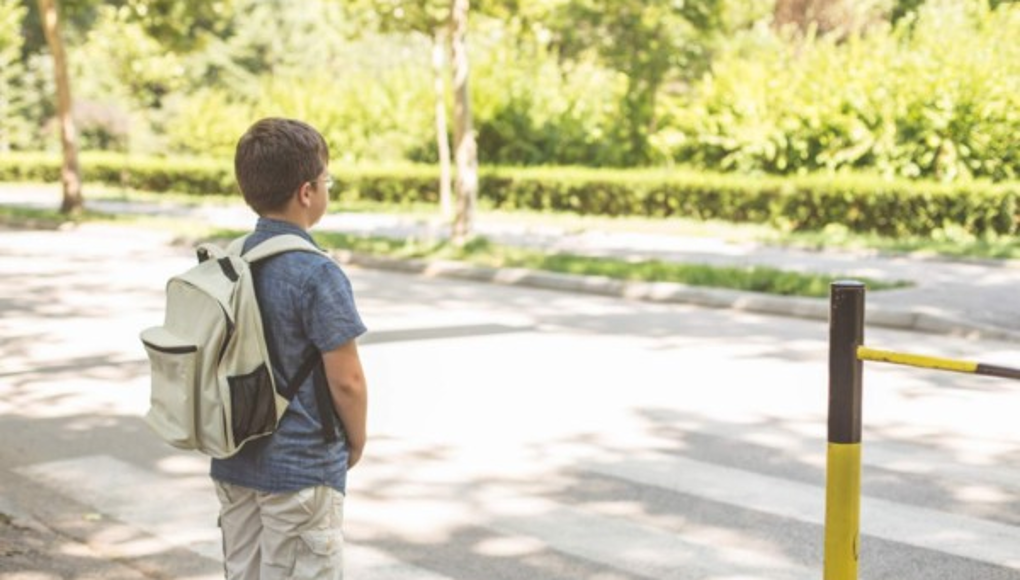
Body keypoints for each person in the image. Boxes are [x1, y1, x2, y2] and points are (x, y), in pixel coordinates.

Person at [211, 117, 368, 580]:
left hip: (233, 460)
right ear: (306, 191)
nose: (326, 189)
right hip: (301, 468)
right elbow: (348, 380)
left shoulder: (229, 262)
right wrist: (354, 442)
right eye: (326, 181)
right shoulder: (317, 273)